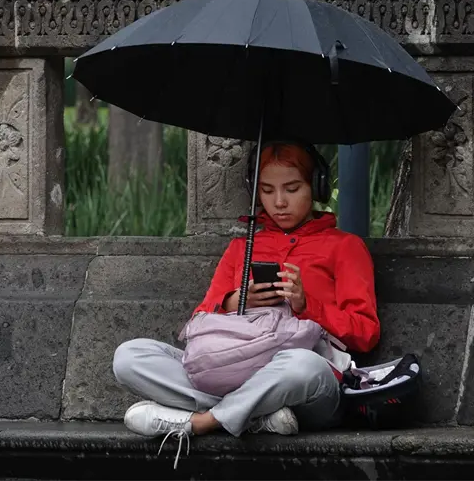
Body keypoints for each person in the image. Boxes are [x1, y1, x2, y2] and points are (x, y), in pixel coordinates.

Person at [112, 141, 380, 456]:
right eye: (267, 190)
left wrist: (308, 308)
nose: (279, 202)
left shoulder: (345, 247)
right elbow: (199, 322)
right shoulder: (242, 247)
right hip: (234, 370)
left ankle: (202, 422)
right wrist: (235, 302)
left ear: (317, 187)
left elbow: (366, 333)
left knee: (302, 365)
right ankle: (258, 416)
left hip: (307, 384)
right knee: (129, 357)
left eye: (292, 189)